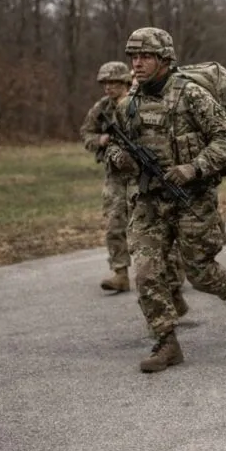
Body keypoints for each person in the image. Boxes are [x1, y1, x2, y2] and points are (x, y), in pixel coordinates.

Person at [105, 27, 226, 373]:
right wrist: (119, 158)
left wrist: (193, 168)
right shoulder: (130, 103)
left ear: (165, 59)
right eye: (133, 57)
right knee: (146, 273)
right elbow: (115, 145)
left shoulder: (192, 95)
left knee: (200, 272)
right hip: (148, 200)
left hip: (192, 198)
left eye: (145, 56)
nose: (137, 63)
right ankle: (166, 342)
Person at [80, 61, 135, 293]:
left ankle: (170, 272)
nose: (108, 87)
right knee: (114, 224)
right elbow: (86, 132)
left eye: (113, 82)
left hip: (141, 174)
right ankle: (120, 273)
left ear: (125, 82)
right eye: (105, 83)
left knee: (152, 226)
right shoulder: (102, 108)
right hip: (115, 175)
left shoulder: (139, 103)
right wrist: (99, 140)